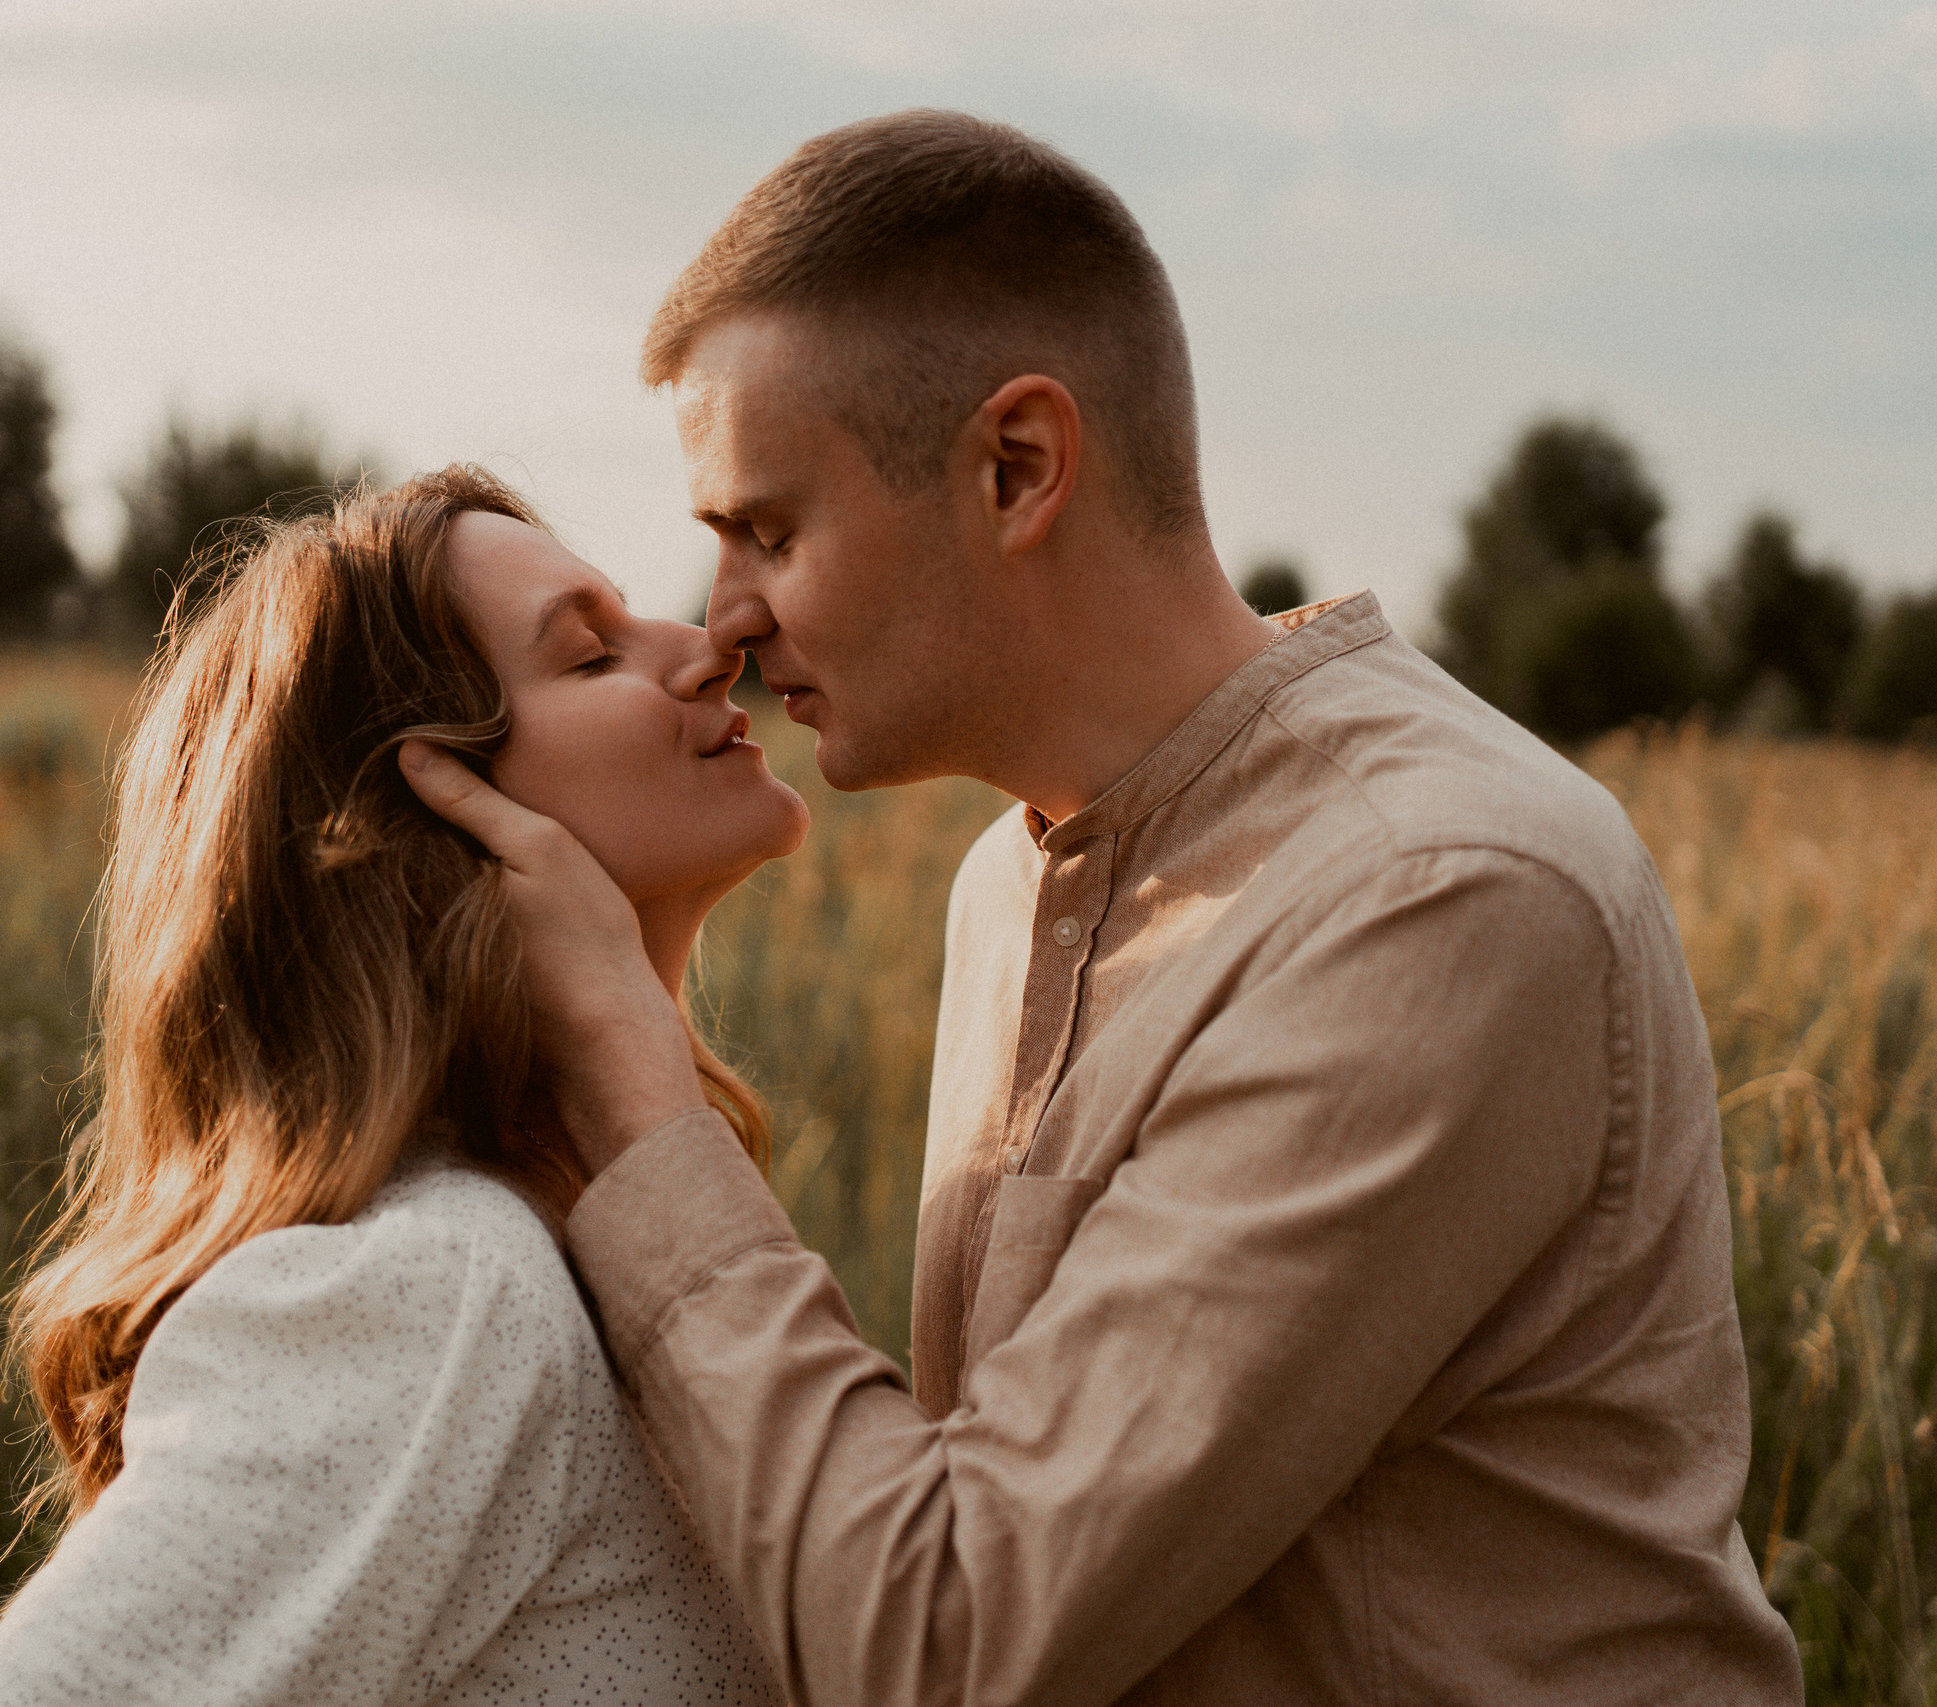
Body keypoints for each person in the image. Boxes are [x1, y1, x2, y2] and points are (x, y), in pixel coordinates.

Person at [400, 111, 1806, 1704]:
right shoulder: (1007, 883)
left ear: (1017, 468)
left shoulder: (1434, 890)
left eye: (770, 530)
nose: (719, 620)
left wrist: (633, 1079)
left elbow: (948, 1642)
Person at [0, 467, 795, 1705]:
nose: (710, 648)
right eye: (590, 656)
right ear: (434, 819)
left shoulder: (600, 1241)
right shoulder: (438, 1290)